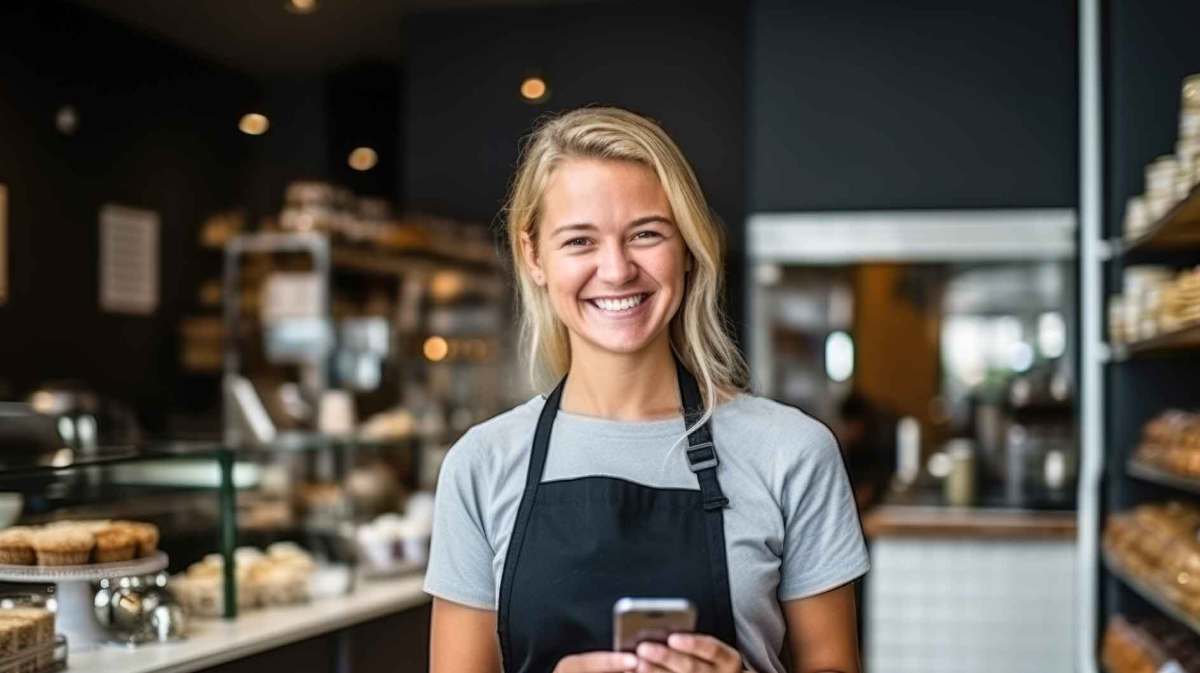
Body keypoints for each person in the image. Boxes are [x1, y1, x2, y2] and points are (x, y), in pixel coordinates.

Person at [424, 107, 870, 673]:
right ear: (534, 257)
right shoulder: (480, 465)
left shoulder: (793, 452)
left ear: (687, 247)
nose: (616, 270)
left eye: (645, 234)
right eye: (580, 241)